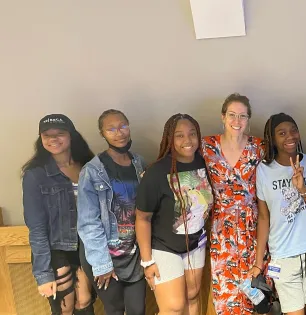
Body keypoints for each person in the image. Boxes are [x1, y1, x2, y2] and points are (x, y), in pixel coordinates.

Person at [201, 93, 306, 315]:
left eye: (243, 116)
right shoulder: (207, 147)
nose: (237, 121)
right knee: (227, 294)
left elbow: (287, 155)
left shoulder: (259, 147)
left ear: (249, 119)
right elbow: (182, 161)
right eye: (232, 115)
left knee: (259, 294)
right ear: (222, 116)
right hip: (223, 231)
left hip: (254, 227)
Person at [249, 113, 306, 315]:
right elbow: (263, 217)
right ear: (272, 138)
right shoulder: (264, 170)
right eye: (282, 133)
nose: (290, 137)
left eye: (293, 131)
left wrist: (303, 190)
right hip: (282, 254)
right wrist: (258, 263)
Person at [135, 113, 214, 315]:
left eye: (192, 134)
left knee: (193, 296)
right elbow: (142, 218)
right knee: (174, 306)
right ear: (170, 139)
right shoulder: (156, 172)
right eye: (179, 135)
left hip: (195, 245)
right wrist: (147, 261)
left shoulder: (205, 164)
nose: (187, 140)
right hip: (164, 248)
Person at [22, 114, 95, 315]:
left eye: (59, 134)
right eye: (47, 135)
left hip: (86, 246)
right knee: (65, 306)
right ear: (40, 139)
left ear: (71, 136)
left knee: (85, 301)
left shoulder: (89, 166)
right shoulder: (35, 174)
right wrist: (43, 275)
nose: (53, 139)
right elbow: (36, 226)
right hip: (56, 249)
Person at [77, 109, 146, 315]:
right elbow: (88, 222)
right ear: (102, 133)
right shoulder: (92, 171)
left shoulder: (139, 163)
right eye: (111, 129)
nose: (119, 133)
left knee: (137, 309)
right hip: (105, 256)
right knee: (114, 309)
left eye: (123, 126)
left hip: (134, 256)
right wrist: (101, 264)